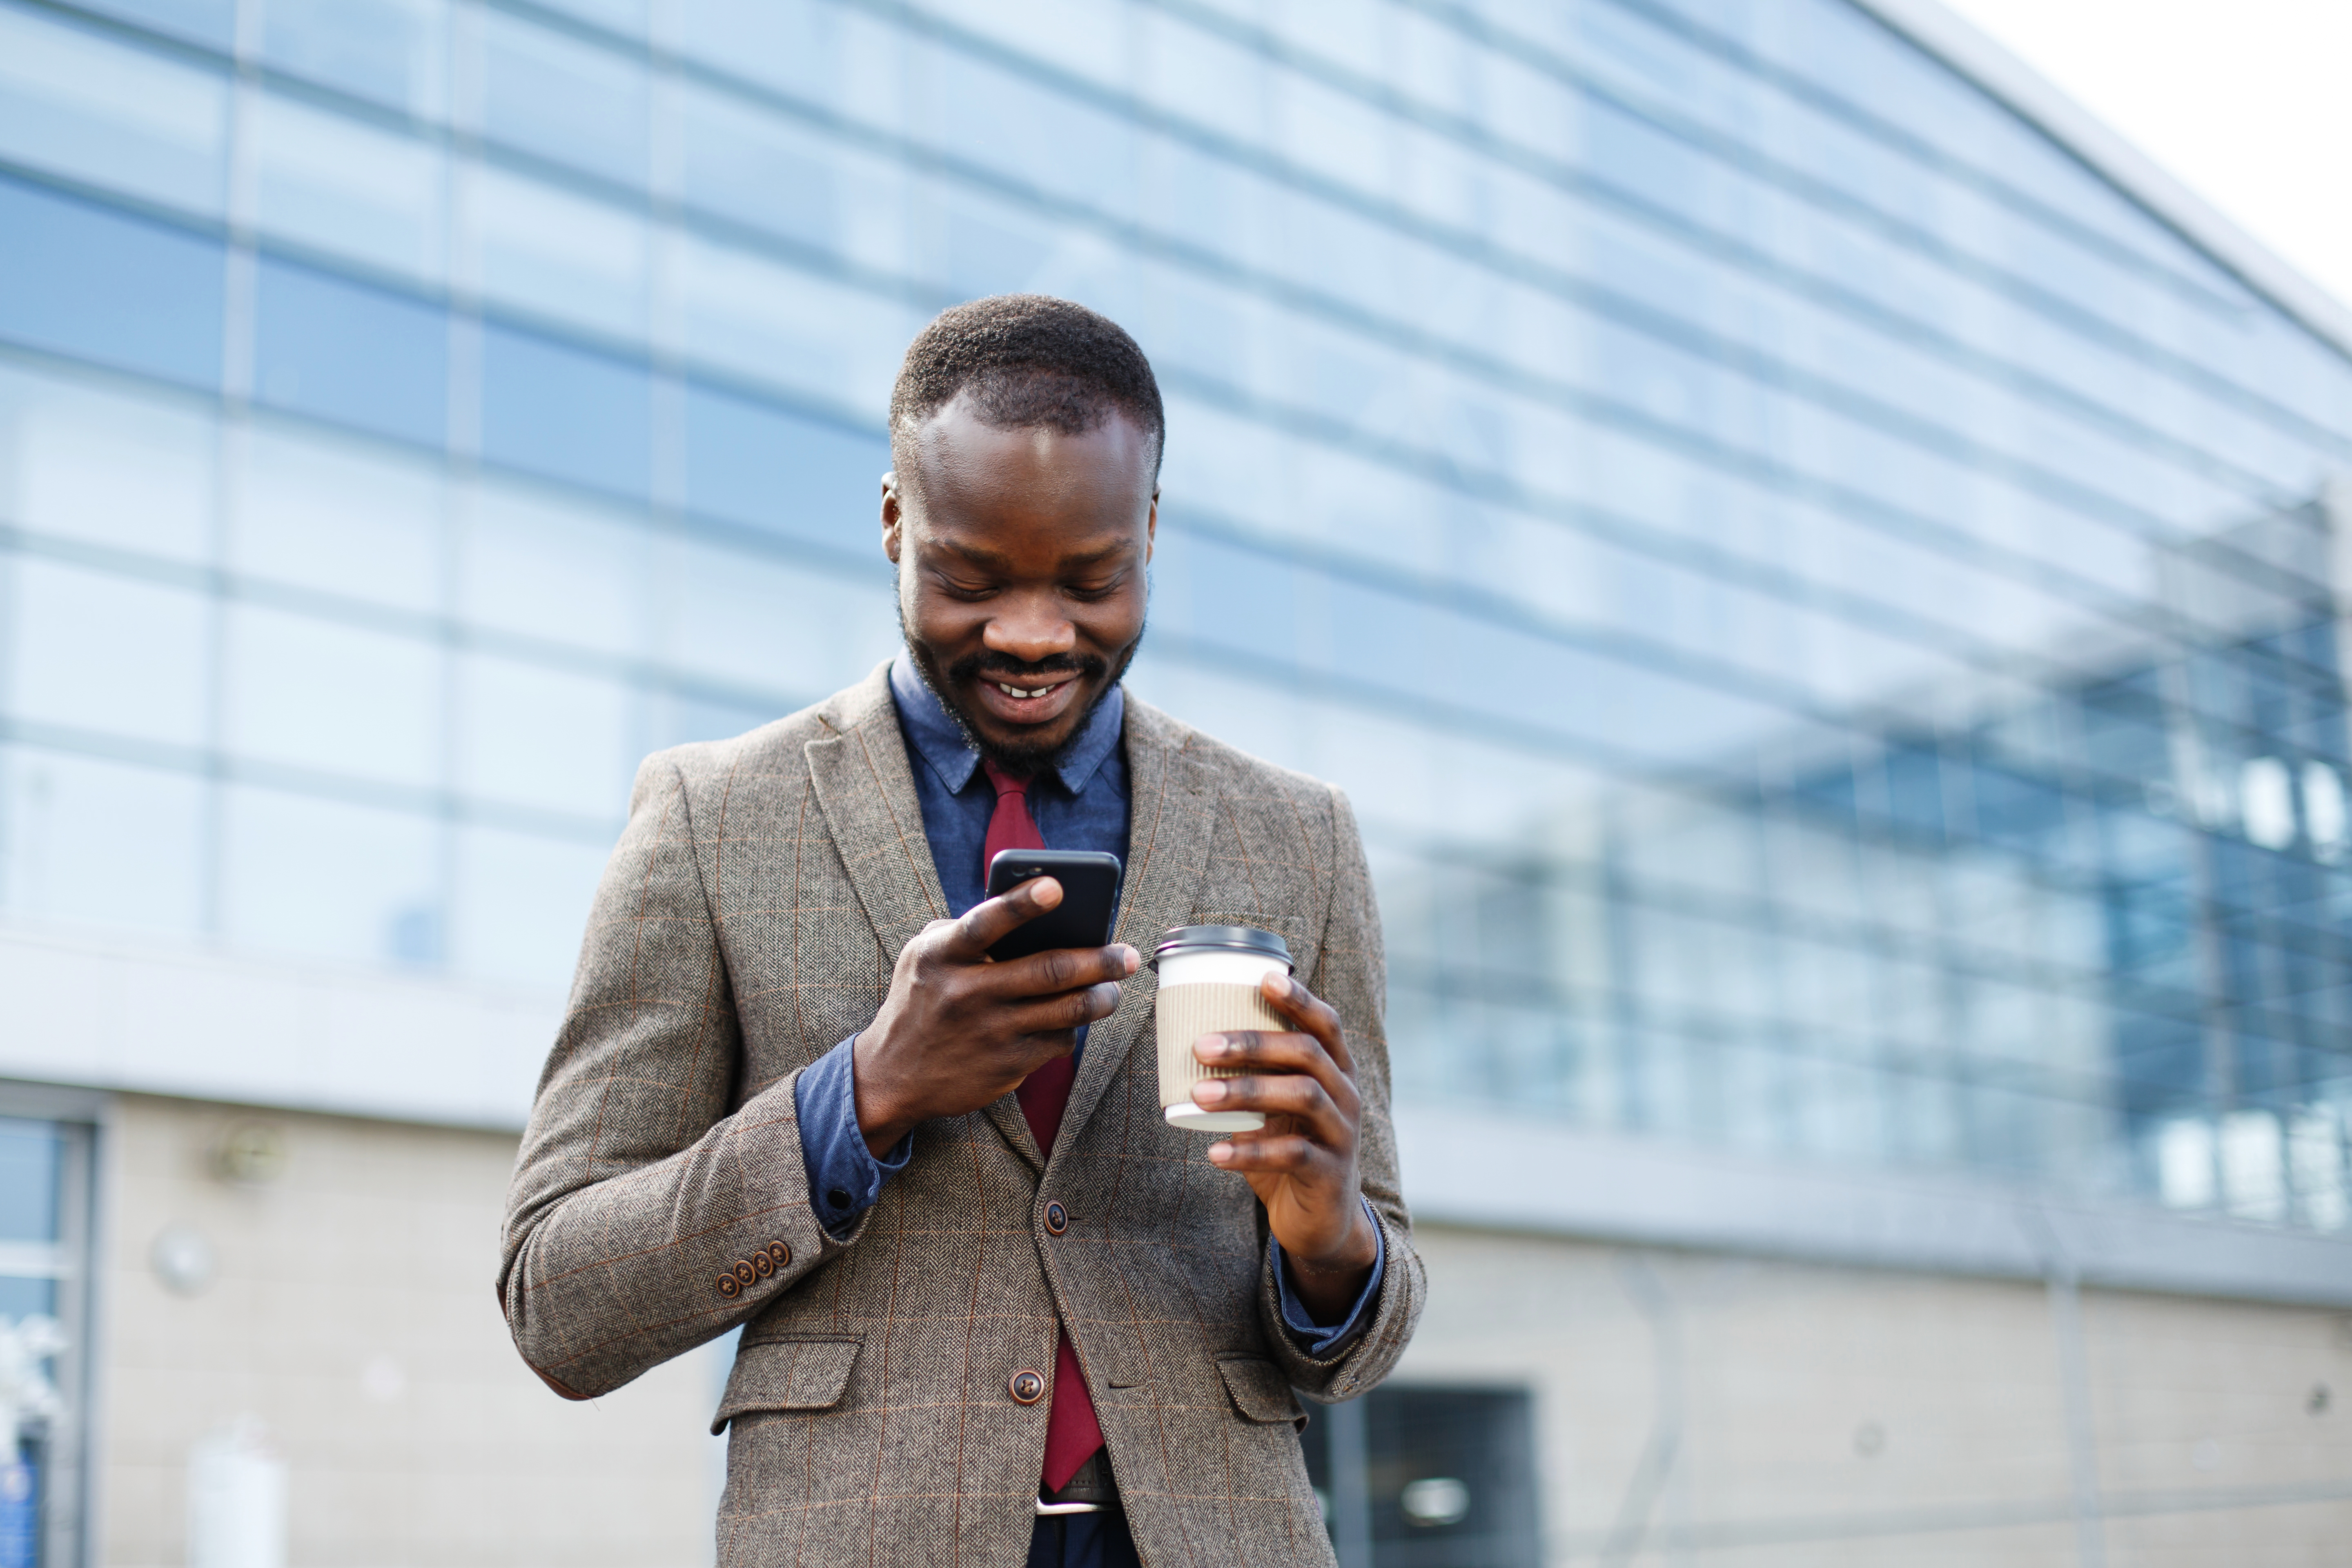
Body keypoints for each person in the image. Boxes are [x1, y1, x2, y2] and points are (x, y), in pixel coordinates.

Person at [498, 294, 1423, 1566]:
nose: (1034, 635)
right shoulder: (712, 819)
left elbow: (1374, 1325)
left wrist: (1333, 1238)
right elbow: (560, 1302)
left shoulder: (1298, 835)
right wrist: (864, 1095)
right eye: (972, 578)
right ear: (893, 522)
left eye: (1093, 581)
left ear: (1150, 533)